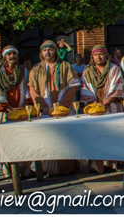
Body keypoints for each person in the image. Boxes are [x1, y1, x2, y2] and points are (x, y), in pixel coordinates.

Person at [28, 40, 80, 175]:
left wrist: (63, 106)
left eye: (50, 49)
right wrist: (43, 107)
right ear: (41, 53)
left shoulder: (66, 66)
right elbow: (33, 89)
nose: (47, 52)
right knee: (48, 137)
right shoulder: (36, 69)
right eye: (44, 50)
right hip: (45, 110)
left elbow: (73, 85)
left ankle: (68, 168)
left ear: (55, 51)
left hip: (63, 109)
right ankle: (47, 169)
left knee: (67, 137)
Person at [0, 45, 33, 176]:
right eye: (9, 54)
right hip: (4, 110)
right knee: (7, 141)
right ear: (4, 57)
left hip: (20, 109)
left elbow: (26, 88)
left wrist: (25, 103)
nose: (12, 56)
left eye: (14, 53)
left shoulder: (22, 70)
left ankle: (25, 170)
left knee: (24, 139)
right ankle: (9, 171)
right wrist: (8, 107)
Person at [80, 45, 124, 173]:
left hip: (111, 107)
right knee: (95, 137)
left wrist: (106, 103)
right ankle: (96, 166)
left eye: (101, 54)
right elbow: (85, 88)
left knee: (111, 136)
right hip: (94, 110)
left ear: (105, 56)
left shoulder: (114, 69)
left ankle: (111, 165)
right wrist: (94, 104)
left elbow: (118, 87)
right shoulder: (87, 72)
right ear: (92, 57)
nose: (98, 57)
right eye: (95, 55)